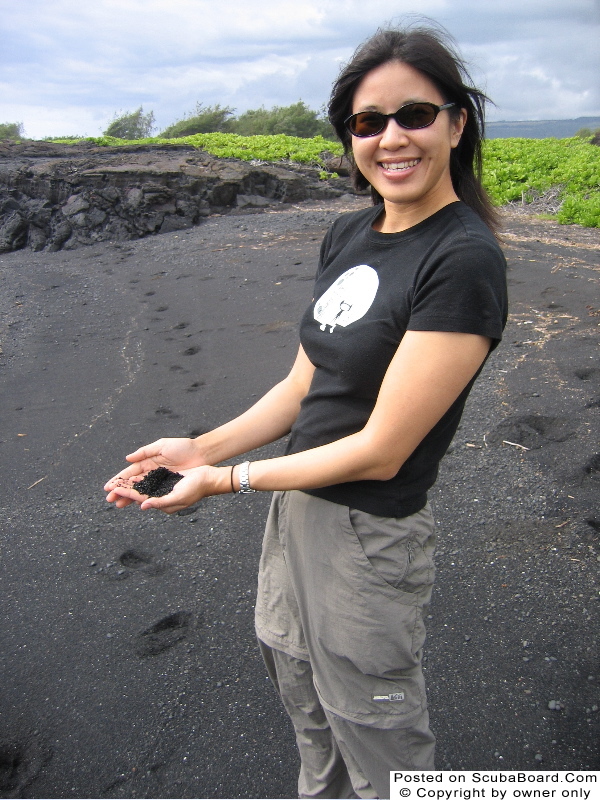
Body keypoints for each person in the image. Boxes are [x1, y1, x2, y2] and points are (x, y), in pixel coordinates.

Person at [105, 22, 508, 799]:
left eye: (415, 115)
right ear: (349, 137)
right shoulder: (351, 233)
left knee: (379, 738)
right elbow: (302, 386)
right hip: (293, 505)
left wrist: (225, 482)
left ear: (458, 123)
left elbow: (383, 449)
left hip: (367, 533)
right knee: (305, 702)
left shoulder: (463, 259)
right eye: (367, 122)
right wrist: (200, 448)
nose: (391, 138)